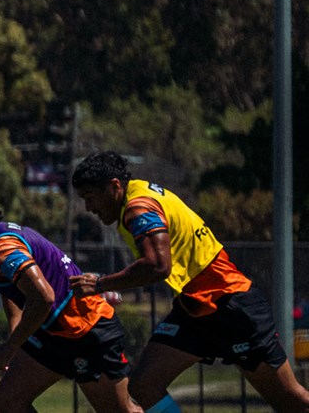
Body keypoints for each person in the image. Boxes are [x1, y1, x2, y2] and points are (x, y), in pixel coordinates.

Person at [68, 151, 309, 412]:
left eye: (90, 198)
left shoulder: (138, 208)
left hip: (230, 305)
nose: (89, 208)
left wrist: (102, 284)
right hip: (195, 308)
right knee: (144, 384)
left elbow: (159, 266)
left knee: (291, 400)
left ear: (114, 186)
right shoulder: (138, 196)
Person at [0, 207, 137, 413]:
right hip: (53, 334)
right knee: (8, 402)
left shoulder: (3, 249)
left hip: (86, 329)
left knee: (120, 410)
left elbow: (44, 298)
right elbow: (11, 290)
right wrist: (15, 337)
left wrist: (11, 347)